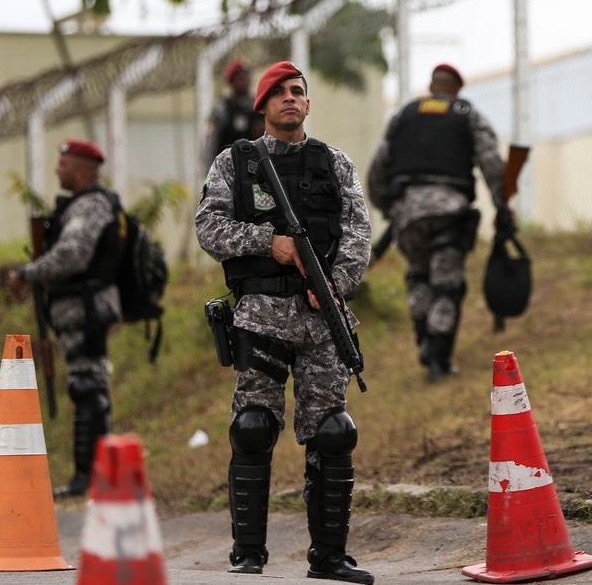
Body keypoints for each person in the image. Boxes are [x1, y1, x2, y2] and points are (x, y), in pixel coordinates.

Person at [195, 60, 374, 583]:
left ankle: (330, 557)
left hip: (323, 320)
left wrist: (333, 286)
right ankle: (247, 553)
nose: (290, 99)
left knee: (334, 432)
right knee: (253, 427)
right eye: (279, 93)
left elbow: (358, 232)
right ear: (263, 106)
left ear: (308, 103)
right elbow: (208, 226)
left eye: (299, 92)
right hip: (262, 315)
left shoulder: (334, 163)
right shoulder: (237, 162)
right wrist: (266, 243)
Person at [366, 62, 513, 382]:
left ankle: (424, 338)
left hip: (407, 216)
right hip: (450, 211)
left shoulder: (404, 114)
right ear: (456, 88)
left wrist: (388, 207)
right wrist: (503, 204)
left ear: (432, 86)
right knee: (447, 284)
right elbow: (491, 160)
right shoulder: (464, 113)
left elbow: (378, 165)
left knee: (419, 275)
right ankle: (438, 356)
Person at [4, 139, 124, 498]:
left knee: (87, 387)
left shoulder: (91, 205)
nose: (58, 170)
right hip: (81, 310)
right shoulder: (83, 205)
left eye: (64, 164)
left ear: (83, 168)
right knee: (88, 386)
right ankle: (96, 474)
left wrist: (29, 272)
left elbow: (72, 255)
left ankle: (87, 477)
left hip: (88, 310)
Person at [202, 58, 265, 167]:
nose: (243, 81)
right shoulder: (221, 108)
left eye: (246, 77)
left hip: (253, 166)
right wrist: (209, 168)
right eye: (239, 78)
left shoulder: (258, 106)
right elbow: (210, 143)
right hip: (226, 167)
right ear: (231, 81)